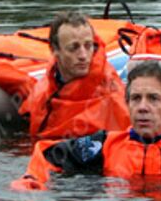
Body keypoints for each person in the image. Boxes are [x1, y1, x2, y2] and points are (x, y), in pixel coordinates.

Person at [11, 61, 161, 190]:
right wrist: (31, 181)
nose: (142, 107)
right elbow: (45, 153)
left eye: (153, 99)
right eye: (136, 99)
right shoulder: (105, 145)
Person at [18, 11, 130, 139]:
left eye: (88, 46)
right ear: (55, 50)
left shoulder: (112, 96)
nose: (83, 56)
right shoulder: (43, 90)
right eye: (73, 48)